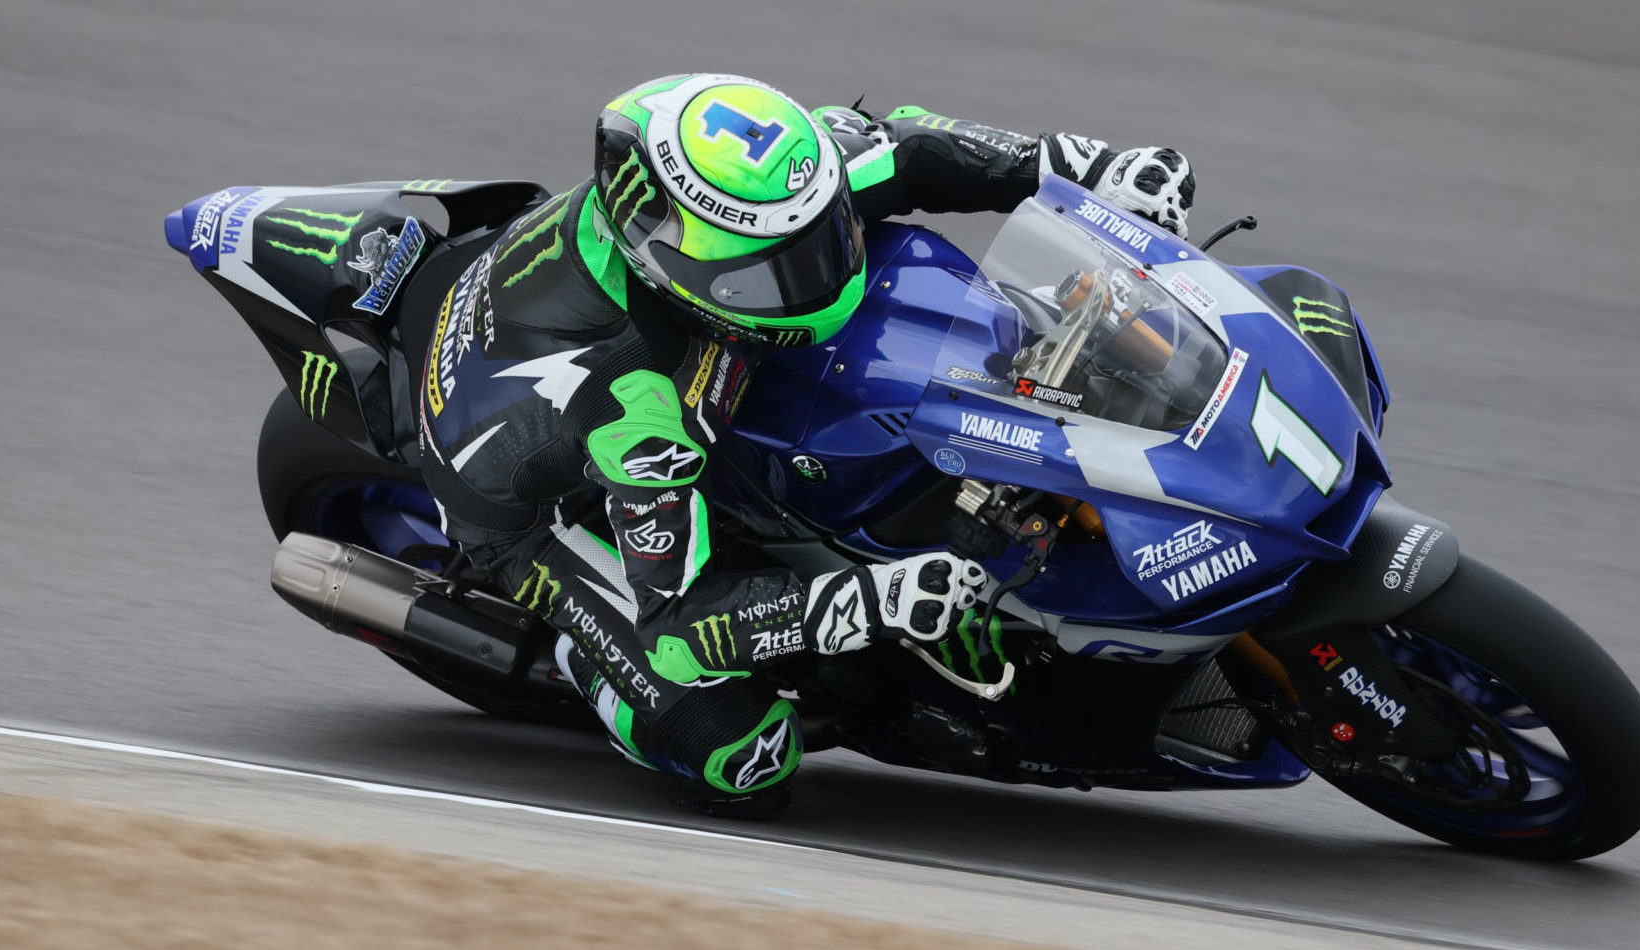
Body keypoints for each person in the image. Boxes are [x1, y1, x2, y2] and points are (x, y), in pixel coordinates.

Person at [415, 72, 1196, 815]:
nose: (819, 264)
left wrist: (1090, 166)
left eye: (820, 234)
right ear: (682, 274)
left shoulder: (766, 196)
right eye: (777, 271)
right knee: (744, 755)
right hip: (530, 520)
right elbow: (680, 621)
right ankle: (589, 665)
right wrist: (869, 602)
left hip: (592, 356)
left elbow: (912, 148)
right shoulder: (639, 403)